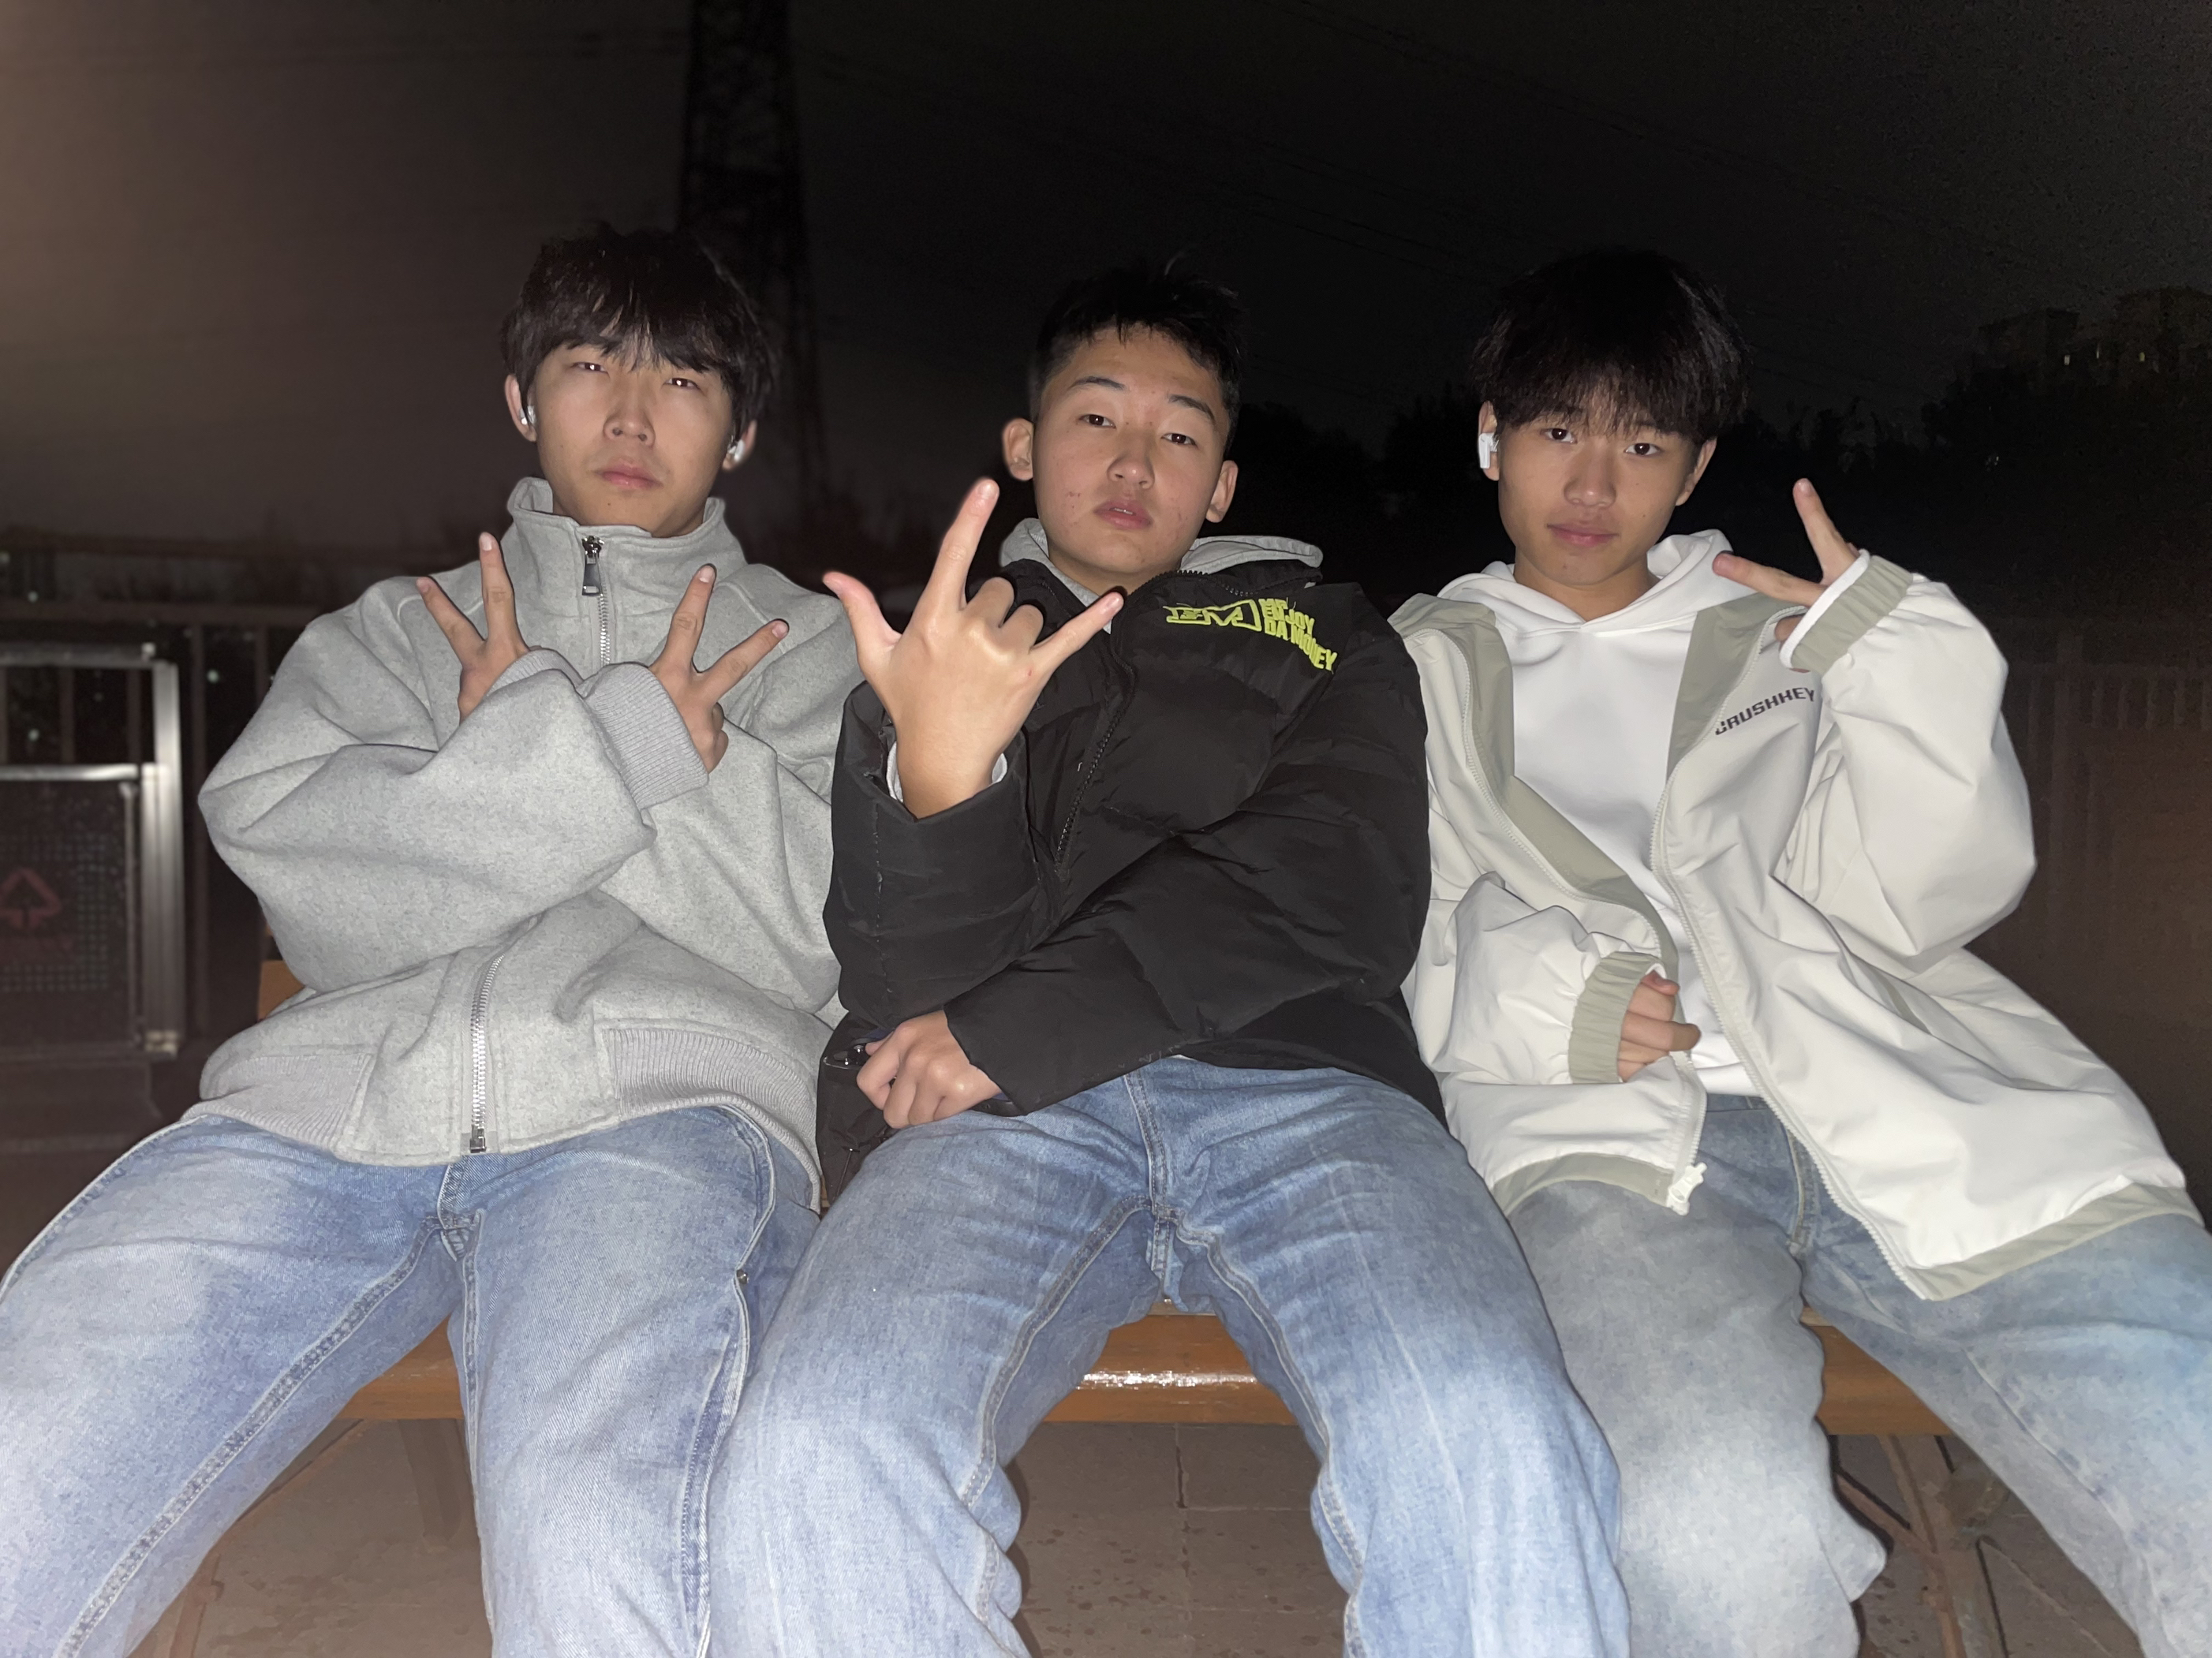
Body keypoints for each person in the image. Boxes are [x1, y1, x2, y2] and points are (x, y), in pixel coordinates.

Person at [712, 262, 1628, 1657]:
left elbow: (1337, 875)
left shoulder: (1330, 630)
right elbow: (906, 999)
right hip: (996, 1121)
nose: (1135, 461)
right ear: (1025, 447)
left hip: (1308, 1088)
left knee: (1489, 1430)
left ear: (1222, 484)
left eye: (1181, 433)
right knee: (817, 1445)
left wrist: (1020, 1023)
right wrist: (942, 779)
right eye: (1096, 418)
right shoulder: (940, 645)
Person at [0, 225, 857, 1657]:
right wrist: (627, 752)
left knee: (597, 1533)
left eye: (684, 380)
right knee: (29, 1438)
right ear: (522, 401)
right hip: (323, 1118)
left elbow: (820, 932)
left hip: (661, 1118)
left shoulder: (812, 650)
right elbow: (311, 889)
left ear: (742, 430)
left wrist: (531, 758)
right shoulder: (399, 632)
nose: (631, 416)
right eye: (588, 367)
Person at [1396, 246, 2212, 1658]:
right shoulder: (1408, 666)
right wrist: (1550, 1000)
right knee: (1711, 1527)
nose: (1592, 484)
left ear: (1697, 463)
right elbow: (1385, 924)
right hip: (1611, 1146)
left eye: (1643, 443)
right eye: (1557, 430)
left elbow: (1924, 896)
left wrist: (1901, 669)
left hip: (1897, 1094)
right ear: (1490, 436)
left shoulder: (1781, 633)